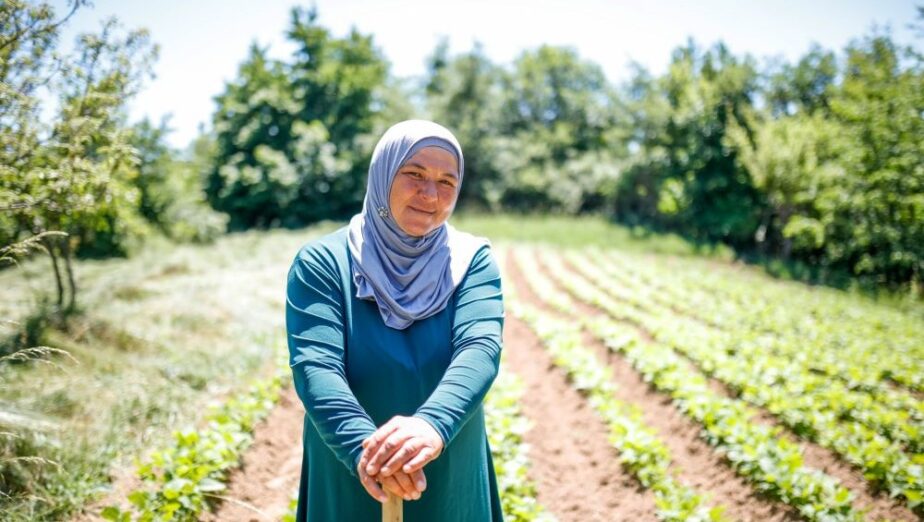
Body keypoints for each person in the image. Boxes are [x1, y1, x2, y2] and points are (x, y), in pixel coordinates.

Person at [285, 119, 505, 521]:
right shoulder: (322, 264)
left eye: (447, 182)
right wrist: (369, 454)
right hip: (351, 466)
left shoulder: (472, 262)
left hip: (446, 457)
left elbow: (480, 350)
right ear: (383, 172)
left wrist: (431, 426)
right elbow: (316, 368)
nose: (430, 194)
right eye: (414, 174)